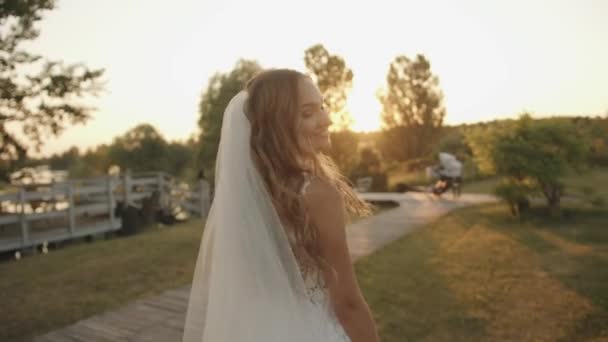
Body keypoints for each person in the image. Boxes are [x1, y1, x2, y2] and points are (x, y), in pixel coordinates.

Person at [182, 69, 380, 342]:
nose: (326, 119)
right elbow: (346, 302)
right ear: (278, 125)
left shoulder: (252, 193)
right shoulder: (317, 192)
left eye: (322, 107)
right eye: (308, 113)